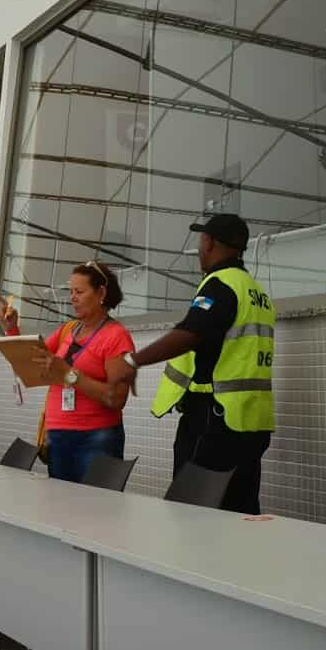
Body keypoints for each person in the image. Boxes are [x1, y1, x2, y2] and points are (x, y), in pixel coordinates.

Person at [111, 213, 274, 514]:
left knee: (192, 512)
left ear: (209, 241)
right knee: (240, 509)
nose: (200, 248)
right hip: (250, 419)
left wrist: (133, 360)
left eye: (201, 240)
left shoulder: (220, 284)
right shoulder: (256, 291)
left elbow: (191, 332)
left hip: (214, 418)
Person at [33, 261, 135, 482]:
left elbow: (117, 397)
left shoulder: (116, 336)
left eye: (79, 291)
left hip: (95, 438)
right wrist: (11, 328)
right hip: (58, 435)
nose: (72, 298)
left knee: (93, 511)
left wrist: (70, 374)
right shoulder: (69, 329)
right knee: (59, 509)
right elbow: (33, 359)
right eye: (70, 292)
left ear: (101, 293)